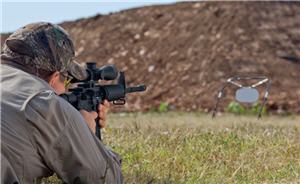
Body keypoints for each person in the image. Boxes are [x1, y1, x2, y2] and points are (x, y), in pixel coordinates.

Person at [0, 22, 123, 184]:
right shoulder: (45, 102)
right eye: (67, 82)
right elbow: (103, 179)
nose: (66, 90)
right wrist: (86, 131)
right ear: (54, 77)